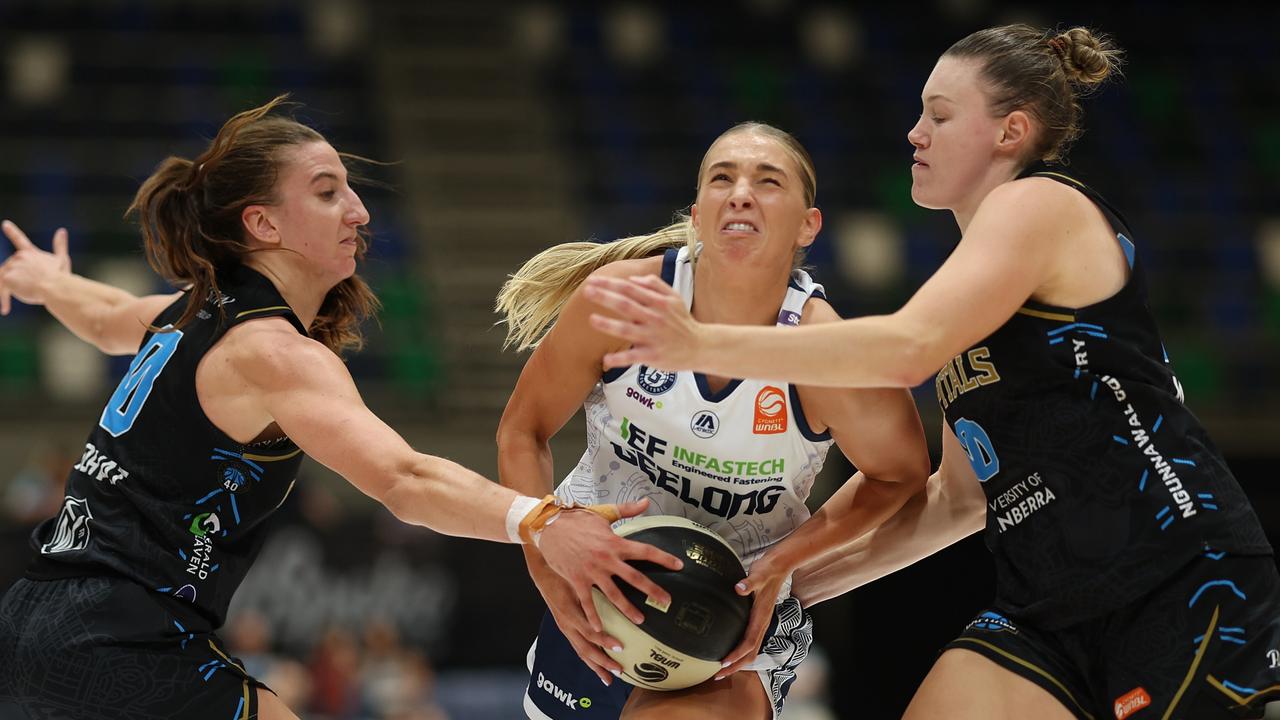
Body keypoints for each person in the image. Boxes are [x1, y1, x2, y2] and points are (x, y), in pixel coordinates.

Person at [582, 25, 1280, 720]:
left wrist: (701, 345)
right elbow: (957, 500)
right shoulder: (968, 285)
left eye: (939, 115)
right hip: (1046, 610)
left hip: (1177, 577)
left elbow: (907, 349)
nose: (915, 133)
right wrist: (778, 584)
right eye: (919, 112)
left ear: (1010, 133)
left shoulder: (1041, 203)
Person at [0, 97, 682, 720]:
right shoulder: (272, 353)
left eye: (351, 190)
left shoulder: (190, 312)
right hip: (115, 640)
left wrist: (48, 284)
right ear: (262, 223)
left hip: (33, 620)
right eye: (327, 193)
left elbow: (107, 317)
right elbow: (404, 481)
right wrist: (539, 519)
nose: (358, 211)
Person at [495, 121, 936, 720]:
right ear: (698, 214)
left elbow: (900, 474)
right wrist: (546, 561)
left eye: (768, 180)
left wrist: (786, 560)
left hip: (731, 616)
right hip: (598, 587)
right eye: (721, 178)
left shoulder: (828, 351)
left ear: (809, 225)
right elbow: (523, 431)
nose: (741, 192)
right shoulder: (619, 302)